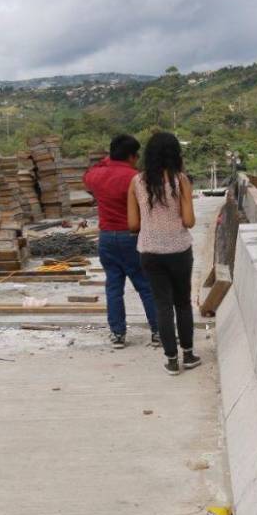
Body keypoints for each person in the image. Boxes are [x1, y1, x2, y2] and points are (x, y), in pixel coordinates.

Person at [128, 131, 198, 376]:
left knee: (162, 305)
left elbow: (133, 224)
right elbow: (189, 221)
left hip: (150, 252)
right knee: (183, 303)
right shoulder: (181, 181)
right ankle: (188, 354)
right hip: (179, 250)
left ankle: (171, 360)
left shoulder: (136, 182)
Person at [84, 134, 158, 349]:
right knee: (145, 285)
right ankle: (157, 331)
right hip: (132, 236)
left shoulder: (96, 176)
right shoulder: (136, 178)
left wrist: (106, 161)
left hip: (106, 238)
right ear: (132, 156)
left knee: (114, 287)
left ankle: (118, 334)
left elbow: (87, 175)